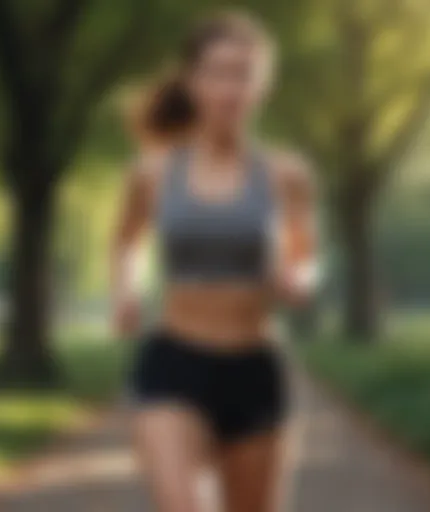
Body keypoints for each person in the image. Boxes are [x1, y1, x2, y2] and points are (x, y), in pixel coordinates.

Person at [111, 10, 317, 512]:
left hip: (254, 370)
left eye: (244, 74)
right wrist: (126, 290)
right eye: (218, 72)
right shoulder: (153, 171)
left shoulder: (286, 174)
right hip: (174, 365)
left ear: (262, 86)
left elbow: (306, 254)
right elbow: (125, 242)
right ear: (191, 80)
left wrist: (298, 279)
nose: (230, 88)